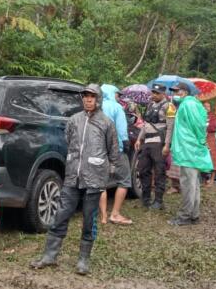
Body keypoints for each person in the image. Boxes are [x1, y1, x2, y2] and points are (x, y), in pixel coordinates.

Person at [31, 84, 118, 275]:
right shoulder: (73, 120)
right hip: (72, 177)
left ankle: (83, 260)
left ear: (98, 99)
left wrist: (105, 173)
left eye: (92, 96)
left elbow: (113, 151)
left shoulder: (106, 123)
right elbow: (69, 141)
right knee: (61, 214)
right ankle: (49, 256)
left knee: (89, 219)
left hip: (94, 180)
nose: (88, 99)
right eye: (85, 96)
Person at [168, 83, 212, 226]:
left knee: (188, 184)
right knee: (193, 184)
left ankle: (185, 216)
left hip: (189, 149)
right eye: (173, 91)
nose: (175, 94)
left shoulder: (188, 104)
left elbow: (198, 125)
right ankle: (194, 215)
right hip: (188, 149)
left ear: (185, 92)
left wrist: (200, 142)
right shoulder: (188, 104)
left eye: (177, 91)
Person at [135, 83, 174, 209]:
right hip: (147, 142)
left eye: (157, 93)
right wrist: (139, 139)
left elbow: (170, 127)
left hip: (159, 142)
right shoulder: (150, 105)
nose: (154, 95)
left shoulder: (169, 106)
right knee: (143, 169)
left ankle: (158, 200)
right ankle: (146, 198)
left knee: (159, 172)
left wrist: (167, 145)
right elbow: (146, 124)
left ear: (163, 94)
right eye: (153, 93)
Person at [99, 84, 133, 225]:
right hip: (115, 149)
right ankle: (115, 214)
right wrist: (125, 143)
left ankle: (103, 216)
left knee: (101, 183)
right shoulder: (116, 107)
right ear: (112, 93)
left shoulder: (97, 106)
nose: (118, 97)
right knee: (124, 180)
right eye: (117, 94)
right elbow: (121, 128)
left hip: (99, 150)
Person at [202, 101, 216, 187]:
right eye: (204, 106)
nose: (206, 108)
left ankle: (212, 180)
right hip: (201, 139)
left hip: (210, 138)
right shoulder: (199, 115)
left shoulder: (213, 116)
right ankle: (204, 180)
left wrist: (205, 125)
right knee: (202, 158)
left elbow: (213, 127)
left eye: (208, 106)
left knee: (213, 158)